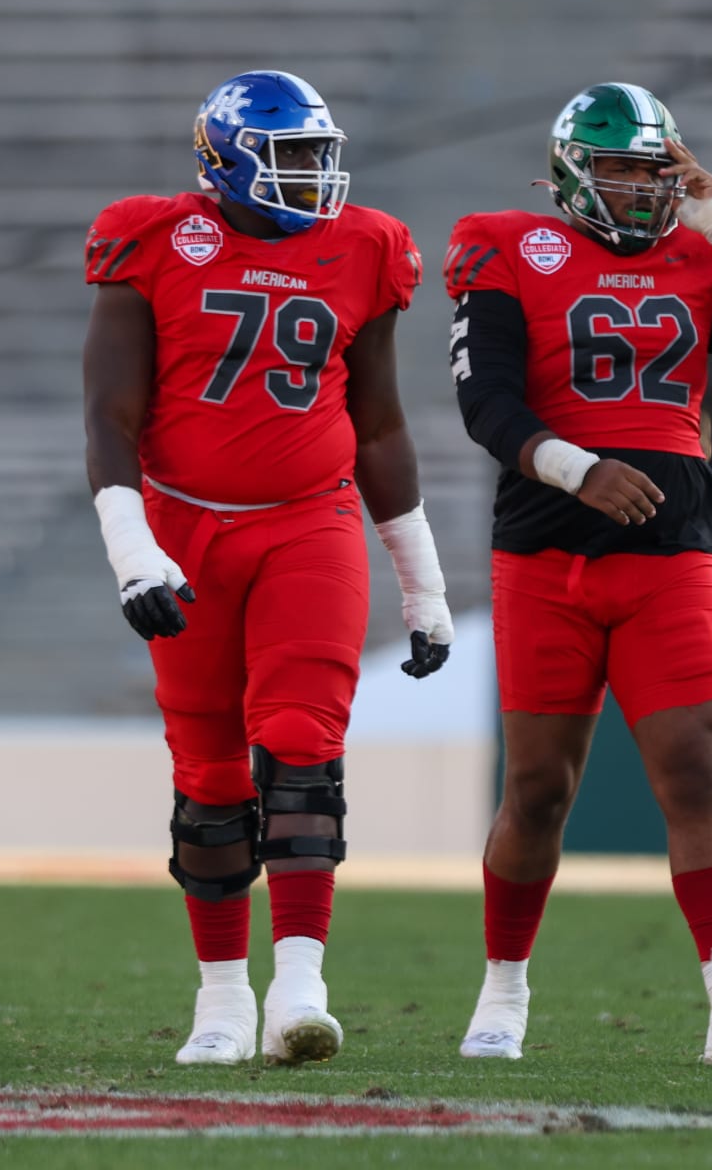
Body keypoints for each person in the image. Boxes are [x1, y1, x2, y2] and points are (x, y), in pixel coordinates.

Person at [445, 83, 712, 1065]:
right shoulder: (509, 247)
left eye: (651, 168)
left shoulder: (695, 254)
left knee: (695, 768)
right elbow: (486, 407)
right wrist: (580, 468)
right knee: (538, 790)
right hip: (546, 547)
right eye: (619, 167)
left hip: (670, 551)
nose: (636, 187)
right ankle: (502, 994)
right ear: (576, 171)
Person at [81, 71, 453, 1067]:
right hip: (183, 525)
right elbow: (111, 417)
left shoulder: (367, 246)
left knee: (298, 746)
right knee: (206, 779)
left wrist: (423, 584)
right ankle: (219, 1001)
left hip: (308, 522)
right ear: (225, 161)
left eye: (320, 157)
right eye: (291, 158)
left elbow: (378, 424)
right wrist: (132, 552)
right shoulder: (154, 238)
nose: (315, 179)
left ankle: (299, 989)